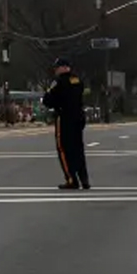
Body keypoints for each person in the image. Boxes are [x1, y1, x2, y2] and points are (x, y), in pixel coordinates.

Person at [43, 57, 90, 190]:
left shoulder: (58, 82)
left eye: (57, 68)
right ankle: (84, 178)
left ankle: (71, 179)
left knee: (63, 148)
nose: (56, 70)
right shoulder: (78, 80)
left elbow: (48, 100)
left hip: (64, 117)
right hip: (78, 116)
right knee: (78, 148)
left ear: (63, 67)